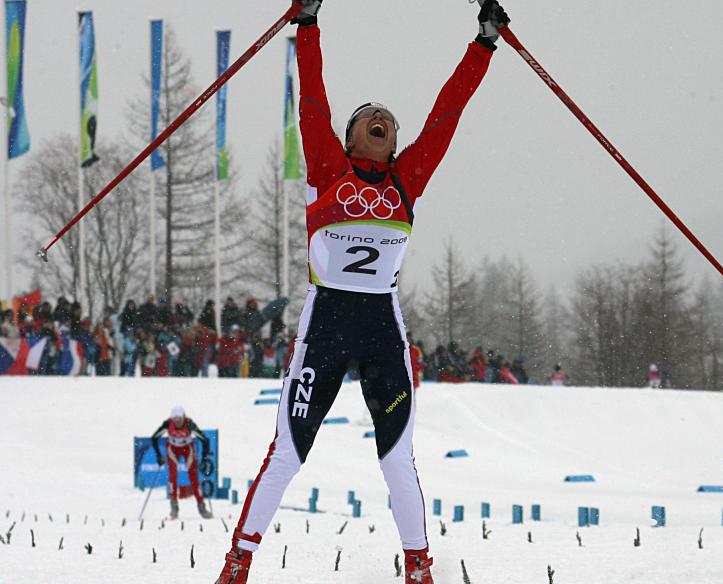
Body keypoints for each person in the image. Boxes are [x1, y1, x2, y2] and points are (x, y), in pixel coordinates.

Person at [215, 2, 510, 582]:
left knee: (398, 457)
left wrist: (483, 44)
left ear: (395, 143)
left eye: (390, 120)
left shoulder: (410, 176)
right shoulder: (328, 167)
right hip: (325, 322)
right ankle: (237, 562)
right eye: (370, 116)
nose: (383, 119)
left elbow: (447, 112)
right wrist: (308, 24)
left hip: (381, 327)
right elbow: (315, 97)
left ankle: (419, 566)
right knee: (287, 453)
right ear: (350, 136)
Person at [151, 406, 213, 520]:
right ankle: (174, 508)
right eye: (175, 419)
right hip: (173, 449)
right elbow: (154, 438)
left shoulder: (189, 424)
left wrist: (204, 460)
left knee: (193, 478)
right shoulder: (167, 424)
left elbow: (205, 440)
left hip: (187, 448)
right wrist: (158, 456)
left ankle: (202, 507)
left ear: (184, 417)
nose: (178, 421)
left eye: (180, 418)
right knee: (172, 477)